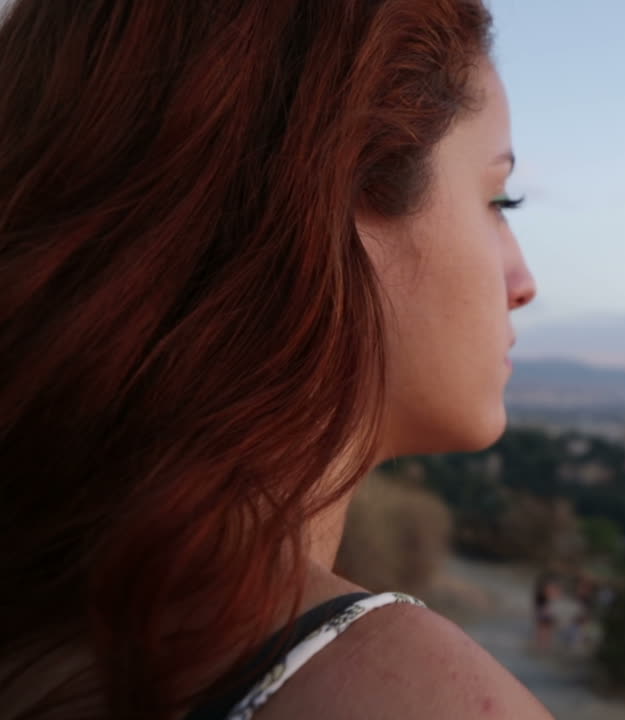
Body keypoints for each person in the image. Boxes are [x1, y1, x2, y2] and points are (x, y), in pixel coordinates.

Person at [0, 1, 551, 718]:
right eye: (496, 199)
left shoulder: (42, 608)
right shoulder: (407, 697)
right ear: (336, 189)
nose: (524, 281)